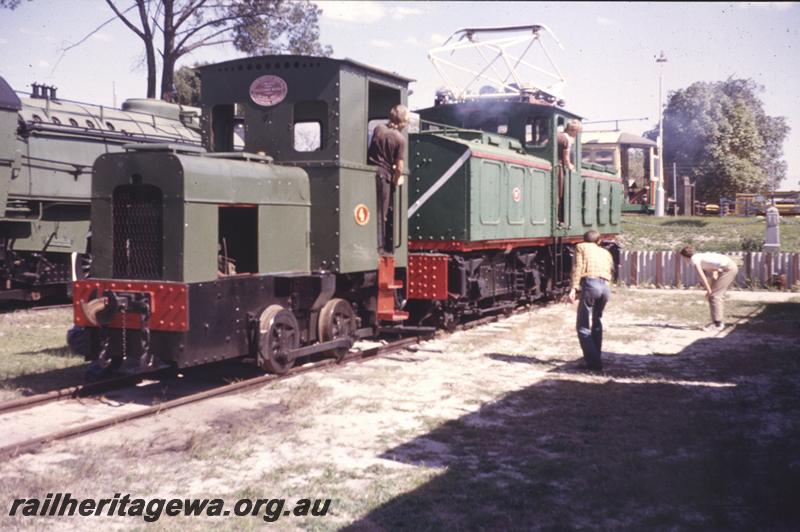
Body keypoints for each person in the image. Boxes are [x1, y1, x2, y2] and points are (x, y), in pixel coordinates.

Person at [568, 230, 614, 372]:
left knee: (582, 325)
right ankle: (595, 357)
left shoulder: (581, 247)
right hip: (605, 287)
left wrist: (574, 288)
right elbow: (611, 270)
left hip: (591, 284)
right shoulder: (605, 252)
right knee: (597, 321)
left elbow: (578, 268)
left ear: (584, 239)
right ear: (599, 241)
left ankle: (593, 363)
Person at [368, 104, 409, 255]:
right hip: (384, 176)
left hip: (370, 173)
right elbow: (399, 167)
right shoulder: (400, 139)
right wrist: (396, 180)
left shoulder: (378, 128)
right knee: (382, 213)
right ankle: (380, 248)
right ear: (403, 121)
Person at [678, 245, 739, 332]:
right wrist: (711, 288)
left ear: (685, 256)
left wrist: (709, 290)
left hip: (728, 268)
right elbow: (714, 269)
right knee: (714, 295)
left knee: (715, 296)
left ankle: (718, 324)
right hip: (727, 267)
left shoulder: (694, 259)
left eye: (683, 258)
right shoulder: (700, 257)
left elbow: (701, 276)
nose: (683, 260)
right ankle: (717, 322)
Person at [556, 119, 582, 224]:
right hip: (558, 167)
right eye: (578, 132)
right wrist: (571, 167)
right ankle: (558, 218)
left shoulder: (557, 135)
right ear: (573, 131)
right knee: (559, 193)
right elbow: (566, 159)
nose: (577, 134)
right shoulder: (567, 139)